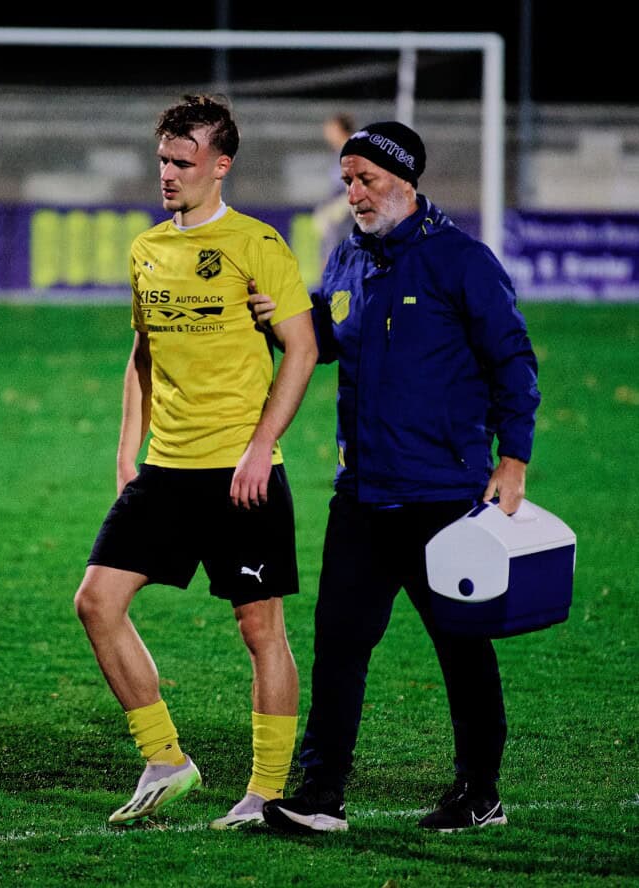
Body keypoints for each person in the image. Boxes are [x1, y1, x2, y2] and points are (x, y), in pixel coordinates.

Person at [250, 121, 541, 834]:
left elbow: (514, 360)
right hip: (363, 494)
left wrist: (513, 458)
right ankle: (322, 797)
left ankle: (481, 791)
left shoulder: (461, 261)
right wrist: (281, 320)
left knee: (461, 646)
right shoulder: (351, 258)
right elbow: (324, 334)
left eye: (366, 180)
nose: (353, 193)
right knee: (340, 644)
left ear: (406, 181)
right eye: (346, 180)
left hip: (446, 494)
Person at [73, 94, 318, 830]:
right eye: (162, 161)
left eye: (183, 163)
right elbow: (141, 355)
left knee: (259, 629)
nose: (169, 174)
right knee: (96, 602)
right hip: (166, 471)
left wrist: (256, 451)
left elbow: (301, 353)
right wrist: (127, 452)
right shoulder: (146, 249)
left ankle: (265, 792)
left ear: (221, 165)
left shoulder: (258, 246)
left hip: (242, 474)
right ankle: (165, 759)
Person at [311, 113, 355, 272]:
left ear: (340, 129)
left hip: (349, 211)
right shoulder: (339, 153)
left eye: (331, 128)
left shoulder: (352, 152)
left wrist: (338, 207)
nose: (327, 132)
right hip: (339, 210)